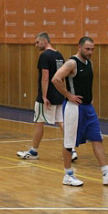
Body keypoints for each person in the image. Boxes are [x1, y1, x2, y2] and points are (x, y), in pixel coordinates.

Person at [52, 36, 108, 187]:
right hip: (74, 108)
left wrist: (89, 98)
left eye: (92, 49)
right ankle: (68, 175)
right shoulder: (71, 63)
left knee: (97, 138)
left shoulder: (89, 63)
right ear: (79, 47)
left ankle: (106, 173)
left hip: (87, 108)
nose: (90, 52)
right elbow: (56, 79)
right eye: (87, 49)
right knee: (69, 142)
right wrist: (68, 95)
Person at [17, 32, 77, 162]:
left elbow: (45, 77)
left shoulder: (44, 56)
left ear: (45, 41)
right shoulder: (59, 55)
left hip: (48, 96)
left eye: (37, 42)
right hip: (59, 94)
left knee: (39, 123)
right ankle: (71, 150)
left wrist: (44, 97)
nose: (36, 45)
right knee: (61, 122)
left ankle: (33, 151)